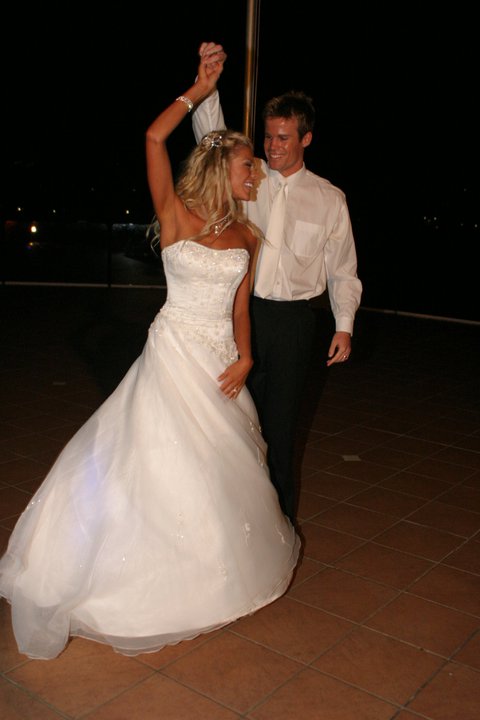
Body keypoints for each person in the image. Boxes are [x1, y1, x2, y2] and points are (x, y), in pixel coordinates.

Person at [0, 45, 300, 661]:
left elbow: (241, 307)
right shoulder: (175, 215)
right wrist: (197, 88)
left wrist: (245, 359)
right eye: (250, 166)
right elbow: (154, 136)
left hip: (220, 363)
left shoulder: (247, 233)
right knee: (154, 463)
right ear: (224, 168)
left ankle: (209, 572)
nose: (257, 175)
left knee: (215, 475)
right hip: (172, 357)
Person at [193, 43, 363, 524]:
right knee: (231, 423)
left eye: (284, 138)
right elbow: (213, 141)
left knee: (281, 430)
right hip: (238, 316)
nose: (272, 147)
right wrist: (208, 88)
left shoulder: (330, 199)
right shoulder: (249, 179)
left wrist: (344, 325)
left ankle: (278, 527)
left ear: (306, 139)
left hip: (291, 324)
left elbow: (343, 267)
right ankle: (229, 521)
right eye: (268, 137)